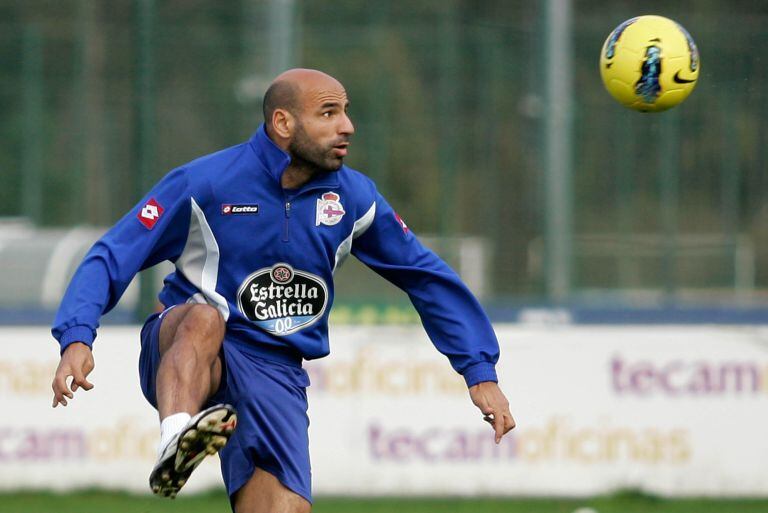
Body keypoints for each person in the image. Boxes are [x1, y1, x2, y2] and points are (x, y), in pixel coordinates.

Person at [50, 68, 515, 513]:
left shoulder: (354, 198)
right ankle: (176, 435)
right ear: (283, 122)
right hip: (188, 349)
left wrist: (479, 370)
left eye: (346, 112)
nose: (347, 126)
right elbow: (115, 252)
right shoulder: (205, 183)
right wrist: (77, 334)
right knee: (204, 315)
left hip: (276, 371)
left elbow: (425, 276)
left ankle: (197, 435)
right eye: (329, 113)